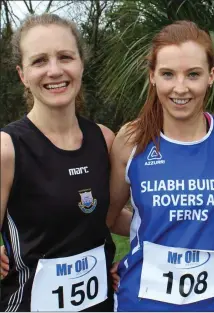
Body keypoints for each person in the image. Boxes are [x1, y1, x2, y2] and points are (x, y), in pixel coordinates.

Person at [105, 20, 214, 311]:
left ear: (211, 75)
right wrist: (154, 235)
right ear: (152, 76)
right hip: (140, 302)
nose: (180, 87)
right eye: (167, 74)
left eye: (193, 74)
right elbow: (110, 218)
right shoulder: (131, 140)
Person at [0, 13, 123, 312]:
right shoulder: (7, 148)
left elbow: (104, 213)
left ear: (81, 64)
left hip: (101, 303)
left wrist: (164, 228)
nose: (54, 70)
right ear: (22, 75)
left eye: (65, 57)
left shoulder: (104, 139)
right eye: (39, 61)